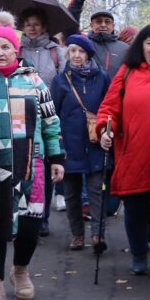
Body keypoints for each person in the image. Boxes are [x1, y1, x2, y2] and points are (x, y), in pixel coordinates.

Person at [0, 24, 65, 300]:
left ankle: (20, 271)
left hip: (31, 164)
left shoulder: (35, 82)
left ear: (16, 50)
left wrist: (56, 156)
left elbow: (50, 122)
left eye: (5, 47)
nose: (0, 53)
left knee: (31, 222)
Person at [96, 24, 150, 282]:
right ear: (140, 47)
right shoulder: (126, 74)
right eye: (149, 42)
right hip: (135, 155)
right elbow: (108, 109)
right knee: (135, 212)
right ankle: (138, 256)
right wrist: (105, 130)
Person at [50, 34, 110, 250]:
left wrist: (108, 132)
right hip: (69, 144)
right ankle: (77, 234)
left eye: (81, 51)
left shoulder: (102, 78)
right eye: (73, 51)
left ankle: (97, 235)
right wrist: (56, 143)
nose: (76, 55)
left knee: (96, 191)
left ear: (88, 54)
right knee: (71, 193)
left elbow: (110, 108)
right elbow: (52, 113)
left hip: (95, 142)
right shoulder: (60, 80)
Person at [18, 7, 66, 233]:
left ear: (45, 27)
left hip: (49, 116)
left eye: (37, 24)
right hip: (21, 117)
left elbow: (66, 83)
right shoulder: (15, 49)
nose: (32, 28)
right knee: (24, 167)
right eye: (28, 24)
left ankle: (43, 218)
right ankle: (22, 214)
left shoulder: (57, 52)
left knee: (47, 167)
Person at [86, 9, 130, 77]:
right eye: (99, 21)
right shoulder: (84, 44)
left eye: (107, 22)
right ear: (91, 25)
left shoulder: (125, 48)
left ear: (113, 26)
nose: (103, 25)